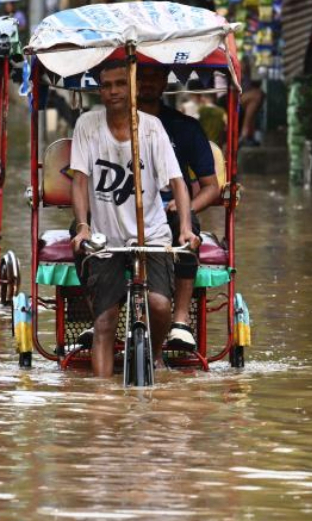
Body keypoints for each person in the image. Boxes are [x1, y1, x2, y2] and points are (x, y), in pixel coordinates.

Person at [69, 60, 197, 378]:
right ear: (100, 89)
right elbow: (80, 180)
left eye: (120, 84)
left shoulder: (151, 127)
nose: (113, 91)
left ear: (132, 88)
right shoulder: (87, 125)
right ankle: (102, 400)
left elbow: (178, 182)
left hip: (150, 233)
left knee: (158, 305)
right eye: (107, 85)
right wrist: (83, 226)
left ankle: (153, 355)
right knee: (104, 322)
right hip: (105, 237)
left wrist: (184, 228)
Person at [136, 63, 219, 351]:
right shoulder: (104, 126)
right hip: (120, 209)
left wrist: (184, 206)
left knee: (188, 225)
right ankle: (94, 318)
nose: (146, 82)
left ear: (164, 82)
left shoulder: (185, 128)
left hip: (166, 210)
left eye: (153, 76)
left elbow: (212, 186)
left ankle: (180, 321)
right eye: (140, 76)